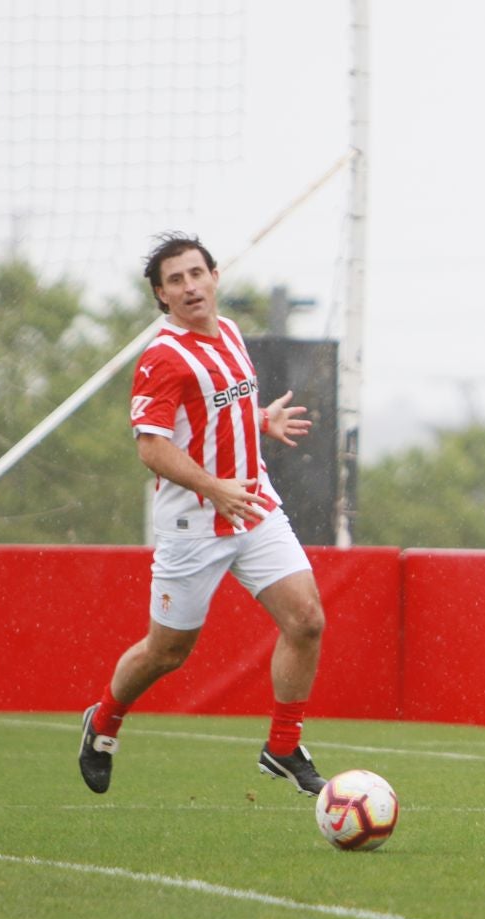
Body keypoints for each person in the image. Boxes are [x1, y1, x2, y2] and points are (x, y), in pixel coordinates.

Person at [76, 233, 327, 797]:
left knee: (306, 619)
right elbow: (152, 446)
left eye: (197, 274)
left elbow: (218, 411)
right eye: (176, 281)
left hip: (254, 507)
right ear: (161, 297)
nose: (190, 287)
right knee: (167, 653)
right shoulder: (163, 358)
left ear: (215, 276)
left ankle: (283, 746)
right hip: (195, 523)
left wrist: (260, 421)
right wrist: (214, 487)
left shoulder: (231, 332)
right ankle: (105, 721)